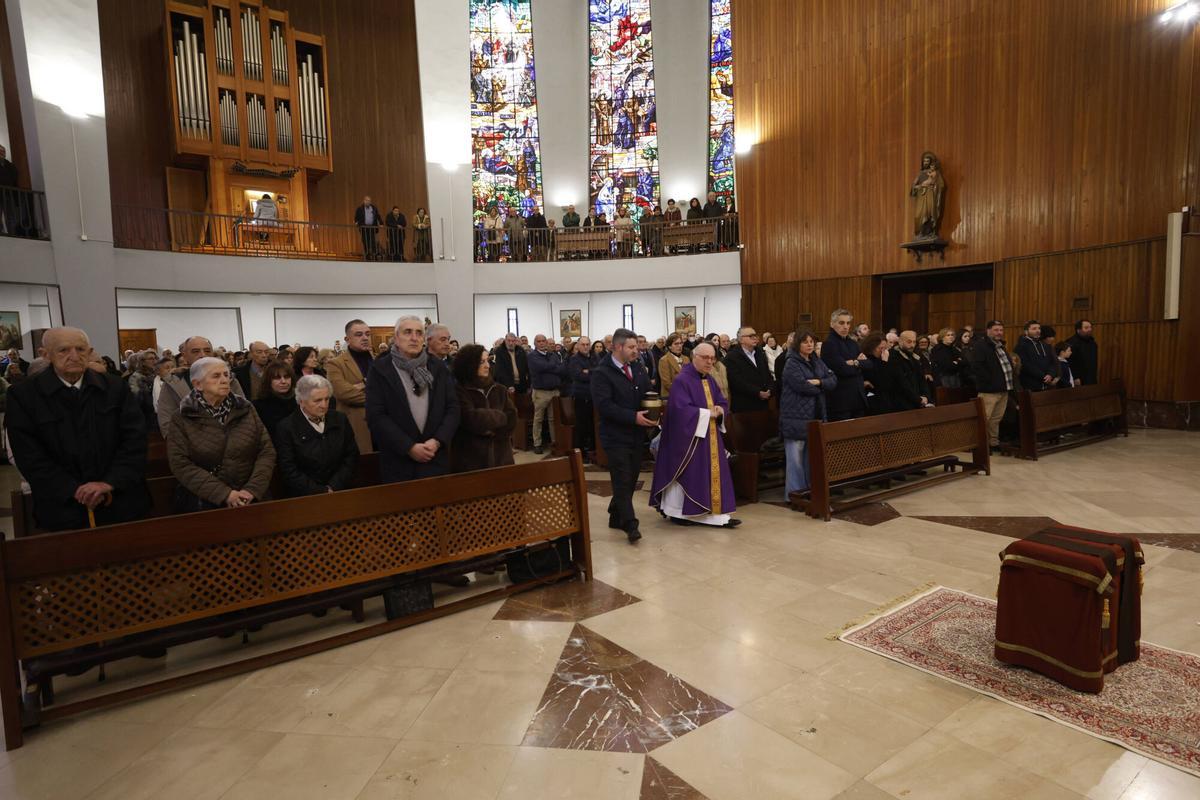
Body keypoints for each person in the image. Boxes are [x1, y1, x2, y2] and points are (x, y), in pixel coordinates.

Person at [5, 327, 149, 531]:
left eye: (80, 349)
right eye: (63, 350)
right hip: (62, 508)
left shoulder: (115, 388)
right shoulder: (24, 396)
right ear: (45, 354)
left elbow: (135, 440)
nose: (74, 356)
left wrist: (109, 483)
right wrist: (73, 489)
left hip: (121, 501)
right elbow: (28, 454)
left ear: (89, 352)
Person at [649, 342, 740, 528]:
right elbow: (680, 411)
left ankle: (716, 516)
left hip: (710, 436)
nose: (710, 362)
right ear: (694, 357)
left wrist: (720, 410)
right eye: (705, 358)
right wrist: (707, 414)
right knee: (688, 472)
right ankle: (677, 512)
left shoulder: (710, 380)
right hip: (686, 440)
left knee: (708, 474)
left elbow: (722, 401)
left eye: (712, 358)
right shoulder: (682, 380)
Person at [167, 356, 275, 512]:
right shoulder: (182, 417)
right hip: (205, 501)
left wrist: (253, 489)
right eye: (216, 376)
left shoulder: (245, 408)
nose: (224, 380)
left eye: (226, 375)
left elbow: (266, 451)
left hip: (251, 496)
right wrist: (224, 494)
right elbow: (180, 464)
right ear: (198, 384)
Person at [366, 315, 460, 483]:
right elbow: (376, 415)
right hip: (398, 461)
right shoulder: (380, 369)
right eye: (407, 332)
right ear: (396, 338)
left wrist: (437, 441)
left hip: (435, 456)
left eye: (419, 333)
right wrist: (408, 447)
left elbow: (452, 408)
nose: (414, 338)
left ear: (423, 339)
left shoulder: (438, 367)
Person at [592, 328, 656, 544]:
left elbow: (646, 393)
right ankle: (630, 524)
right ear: (618, 347)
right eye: (631, 347)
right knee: (622, 478)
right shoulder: (602, 372)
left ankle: (615, 513)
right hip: (615, 436)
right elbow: (604, 406)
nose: (636, 351)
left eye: (636, 347)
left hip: (636, 434)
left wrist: (655, 409)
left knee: (631, 478)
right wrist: (632, 417)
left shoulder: (637, 367)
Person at [273, 374, 359, 496]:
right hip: (305, 496)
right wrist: (320, 491)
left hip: (341, 490)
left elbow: (351, 455)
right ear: (301, 401)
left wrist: (334, 486)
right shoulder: (286, 428)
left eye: (327, 399)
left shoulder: (340, 419)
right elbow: (289, 469)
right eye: (317, 400)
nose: (324, 405)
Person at [779, 329, 836, 496]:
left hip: (815, 415)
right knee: (795, 460)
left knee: (811, 458)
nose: (810, 345)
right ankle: (794, 495)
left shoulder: (816, 361)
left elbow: (833, 380)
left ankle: (808, 492)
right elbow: (802, 386)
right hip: (795, 416)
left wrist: (819, 382)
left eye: (812, 342)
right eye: (805, 342)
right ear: (798, 344)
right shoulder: (791, 363)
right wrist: (823, 386)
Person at [157, 336, 245, 438]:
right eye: (195, 352)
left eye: (207, 351)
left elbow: (244, 413)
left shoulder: (229, 380)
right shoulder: (173, 383)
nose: (202, 355)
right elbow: (167, 425)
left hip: (233, 441)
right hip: (191, 444)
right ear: (185, 356)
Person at [451, 344, 517, 472]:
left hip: (501, 457)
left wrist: (493, 431)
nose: (487, 366)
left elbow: (512, 418)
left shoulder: (499, 389)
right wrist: (500, 417)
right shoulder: (459, 391)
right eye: (482, 362)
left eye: (487, 361)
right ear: (469, 365)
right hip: (471, 460)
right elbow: (470, 418)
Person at [326, 319, 375, 453]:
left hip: (383, 424)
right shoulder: (336, 364)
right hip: (356, 424)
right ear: (347, 339)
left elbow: (390, 390)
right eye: (359, 335)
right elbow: (344, 394)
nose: (365, 338)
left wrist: (361, 386)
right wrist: (379, 399)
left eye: (368, 334)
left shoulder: (378, 361)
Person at [967, 320, 1015, 449]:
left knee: (996, 419)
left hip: (1003, 388)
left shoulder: (1000, 345)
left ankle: (993, 442)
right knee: (984, 418)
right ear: (988, 331)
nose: (999, 333)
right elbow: (977, 367)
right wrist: (991, 382)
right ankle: (977, 444)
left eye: (1001, 330)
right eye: (996, 330)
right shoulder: (981, 345)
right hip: (989, 390)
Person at [822, 310, 868, 421]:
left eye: (848, 323)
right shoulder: (829, 344)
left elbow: (868, 364)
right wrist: (859, 363)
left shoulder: (853, 343)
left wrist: (854, 362)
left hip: (858, 398)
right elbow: (842, 370)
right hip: (841, 401)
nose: (846, 326)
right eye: (841, 323)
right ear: (832, 324)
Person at [528, 333, 565, 454]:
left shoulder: (552, 354)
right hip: (541, 392)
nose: (542, 343)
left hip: (554, 391)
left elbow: (561, 369)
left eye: (543, 341)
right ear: (535, 343)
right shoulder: (532, 356)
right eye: (539, 341)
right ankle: (537, 443)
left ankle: (554, 442)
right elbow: (542, 367)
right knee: (538, 419)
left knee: (553, 419)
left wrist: (551, 367)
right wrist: (552, 366)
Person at [723, 326, 773, 412]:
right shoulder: (732, 357)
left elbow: (767, 375)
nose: (755, 338)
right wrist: (758, 392)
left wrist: (770, 389)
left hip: (763, 404)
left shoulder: (760, 353)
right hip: (744, 405)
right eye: (751, 336)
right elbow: (736, 382)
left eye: (755, 335)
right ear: (741, 340)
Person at [253, 361, 296, 440]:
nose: (283, 381)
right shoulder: (258, 406)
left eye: (286, 377)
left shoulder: (299, 402)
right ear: (268, 381)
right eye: (277, 378)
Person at [568, 337, 597, 456]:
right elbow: (578, 376)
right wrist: (592, 373)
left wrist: (588, 371)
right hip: (581, 396)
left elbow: (600, 372)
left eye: (587, 344)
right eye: (583, 344)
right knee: (581, 425)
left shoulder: (595, 357)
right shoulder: (574, 359)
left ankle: (592, 448)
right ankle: (580, 453)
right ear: (578, 346)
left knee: (593, 424)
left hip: (594, 396)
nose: (585, 347)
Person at [1015, 320, 1057, 391]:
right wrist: (1043, 376)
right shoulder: (1021, 346)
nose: (1038, 331)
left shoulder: (1045, 345)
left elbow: (1052, 362)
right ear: (1026, 332)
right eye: (1034, 329)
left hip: (1047, 384)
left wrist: (1050, 374)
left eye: (1039, 328)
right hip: (1030, 385)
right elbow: (1026, 366)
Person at [893, 331, 932, 407]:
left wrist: (926, 397)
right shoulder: (894, 357)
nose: (912, 345)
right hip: (903, 403)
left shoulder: (914, 356)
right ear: (900, 341)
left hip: (918, 400)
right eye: (909, 342)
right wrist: (918, 399)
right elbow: (902, 383)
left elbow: (921, 379)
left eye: (914, 342)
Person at [1065, 319, 1098, 385]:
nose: (1090, 329)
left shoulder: (1092, 342)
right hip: (1079, 378)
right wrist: (1075, 377)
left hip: (1091, 376)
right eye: (1086, 328)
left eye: (1090, 327)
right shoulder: (1071, 343)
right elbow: (1069, 362)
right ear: (1078, 330)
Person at [658, 332, 689, 398]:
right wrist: (683, 392)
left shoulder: (686, 359)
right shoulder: (664, 360)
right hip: (670, 396)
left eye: (681, 343)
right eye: (676, 344)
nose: (679, 346)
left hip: (686, 395)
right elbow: (667, 383)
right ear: (669, 346)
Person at [354, 195, 383, 260]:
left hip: (372, 228)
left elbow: (378, 216)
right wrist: (356, 223)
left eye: (369, 201)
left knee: (373, 242)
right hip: (364, 227)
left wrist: (381, 223)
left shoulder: (374, 208)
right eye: (366, 200)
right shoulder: (360, 208)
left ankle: (374, 255)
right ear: (364, 201)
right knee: (365, 241)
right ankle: (367, 256)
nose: (368, 202)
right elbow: (356, 217)